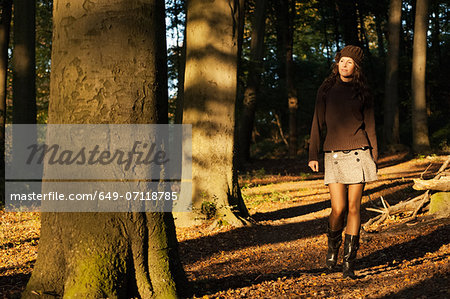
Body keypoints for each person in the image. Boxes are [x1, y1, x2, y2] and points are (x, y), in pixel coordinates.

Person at [308, 45, 378, 279]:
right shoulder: (326, 89)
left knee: (355, 208)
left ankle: (349, 263)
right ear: (336, 64)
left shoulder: (363, 91)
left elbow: (370, 126)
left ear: (356, 67)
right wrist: (312, 155)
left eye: (350, 62)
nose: (344, 65)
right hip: (334, 154)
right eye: (341, 61)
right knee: (338, 209)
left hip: (360, 152)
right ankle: (332, 249)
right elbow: (316, 123)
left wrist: (374, 157)